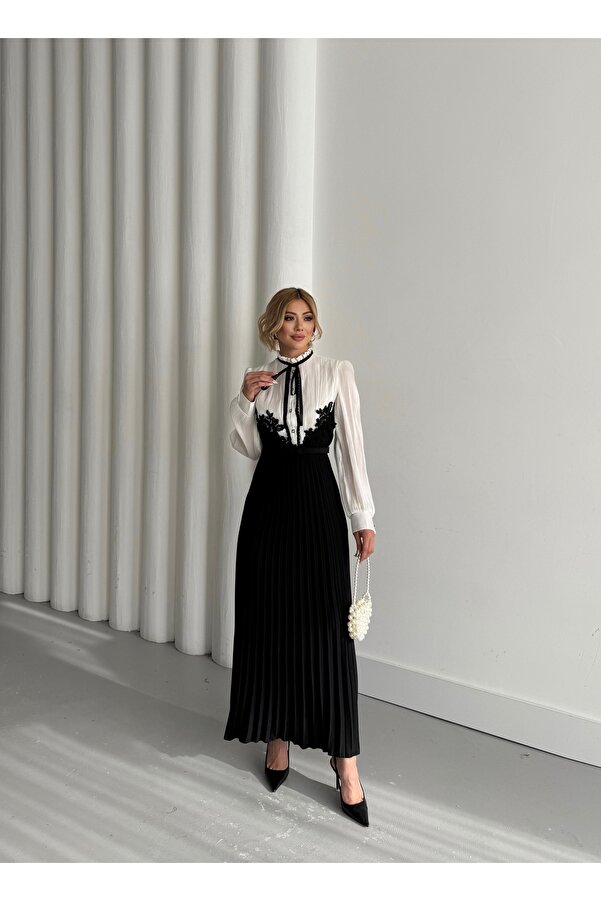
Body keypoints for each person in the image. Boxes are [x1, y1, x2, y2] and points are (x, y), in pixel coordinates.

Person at [223, 286, 376, 827]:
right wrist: (243, 399)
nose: (299, 325)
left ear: (315, 324)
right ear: (273, 325)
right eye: (288, 317)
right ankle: (277, 733)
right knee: (271, 621)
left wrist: (362, 517)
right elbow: (248, 447)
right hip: (267, 510)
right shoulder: (259, 379)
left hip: (318, 510)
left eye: (306, 317)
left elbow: (352, 449)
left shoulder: (336, 373)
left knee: (328, 630)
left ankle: (345, 761)